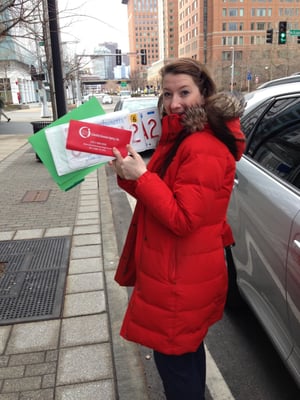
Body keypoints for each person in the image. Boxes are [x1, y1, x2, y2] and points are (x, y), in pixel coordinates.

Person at [109, 58, 246, 400]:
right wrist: (132, 175)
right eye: (167, 93)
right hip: (178, 271)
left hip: (180, 277)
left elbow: (182, 218)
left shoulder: (203, 146)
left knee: (176, 367)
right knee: (183, 355)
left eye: (184, 92)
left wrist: (141, 177)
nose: (174, 103)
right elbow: (159, 194)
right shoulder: (182, 136)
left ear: (204, 93)